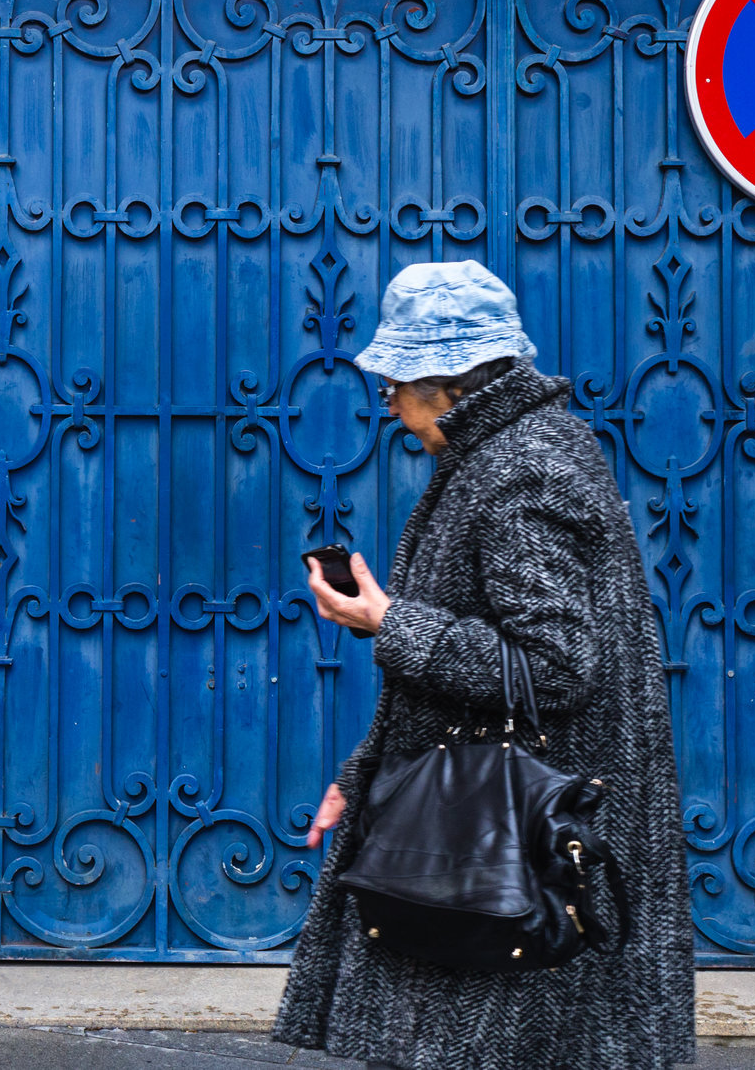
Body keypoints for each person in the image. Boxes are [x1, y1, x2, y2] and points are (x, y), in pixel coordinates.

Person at [272, 260, 693, 1070]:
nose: (388, 404)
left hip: (520, 845)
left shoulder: (521, 468)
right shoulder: (503, 453)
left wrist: (390, 619)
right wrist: (364, 774)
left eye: (396, 382)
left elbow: (556, 666)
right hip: (501, 828)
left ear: (448, 382)